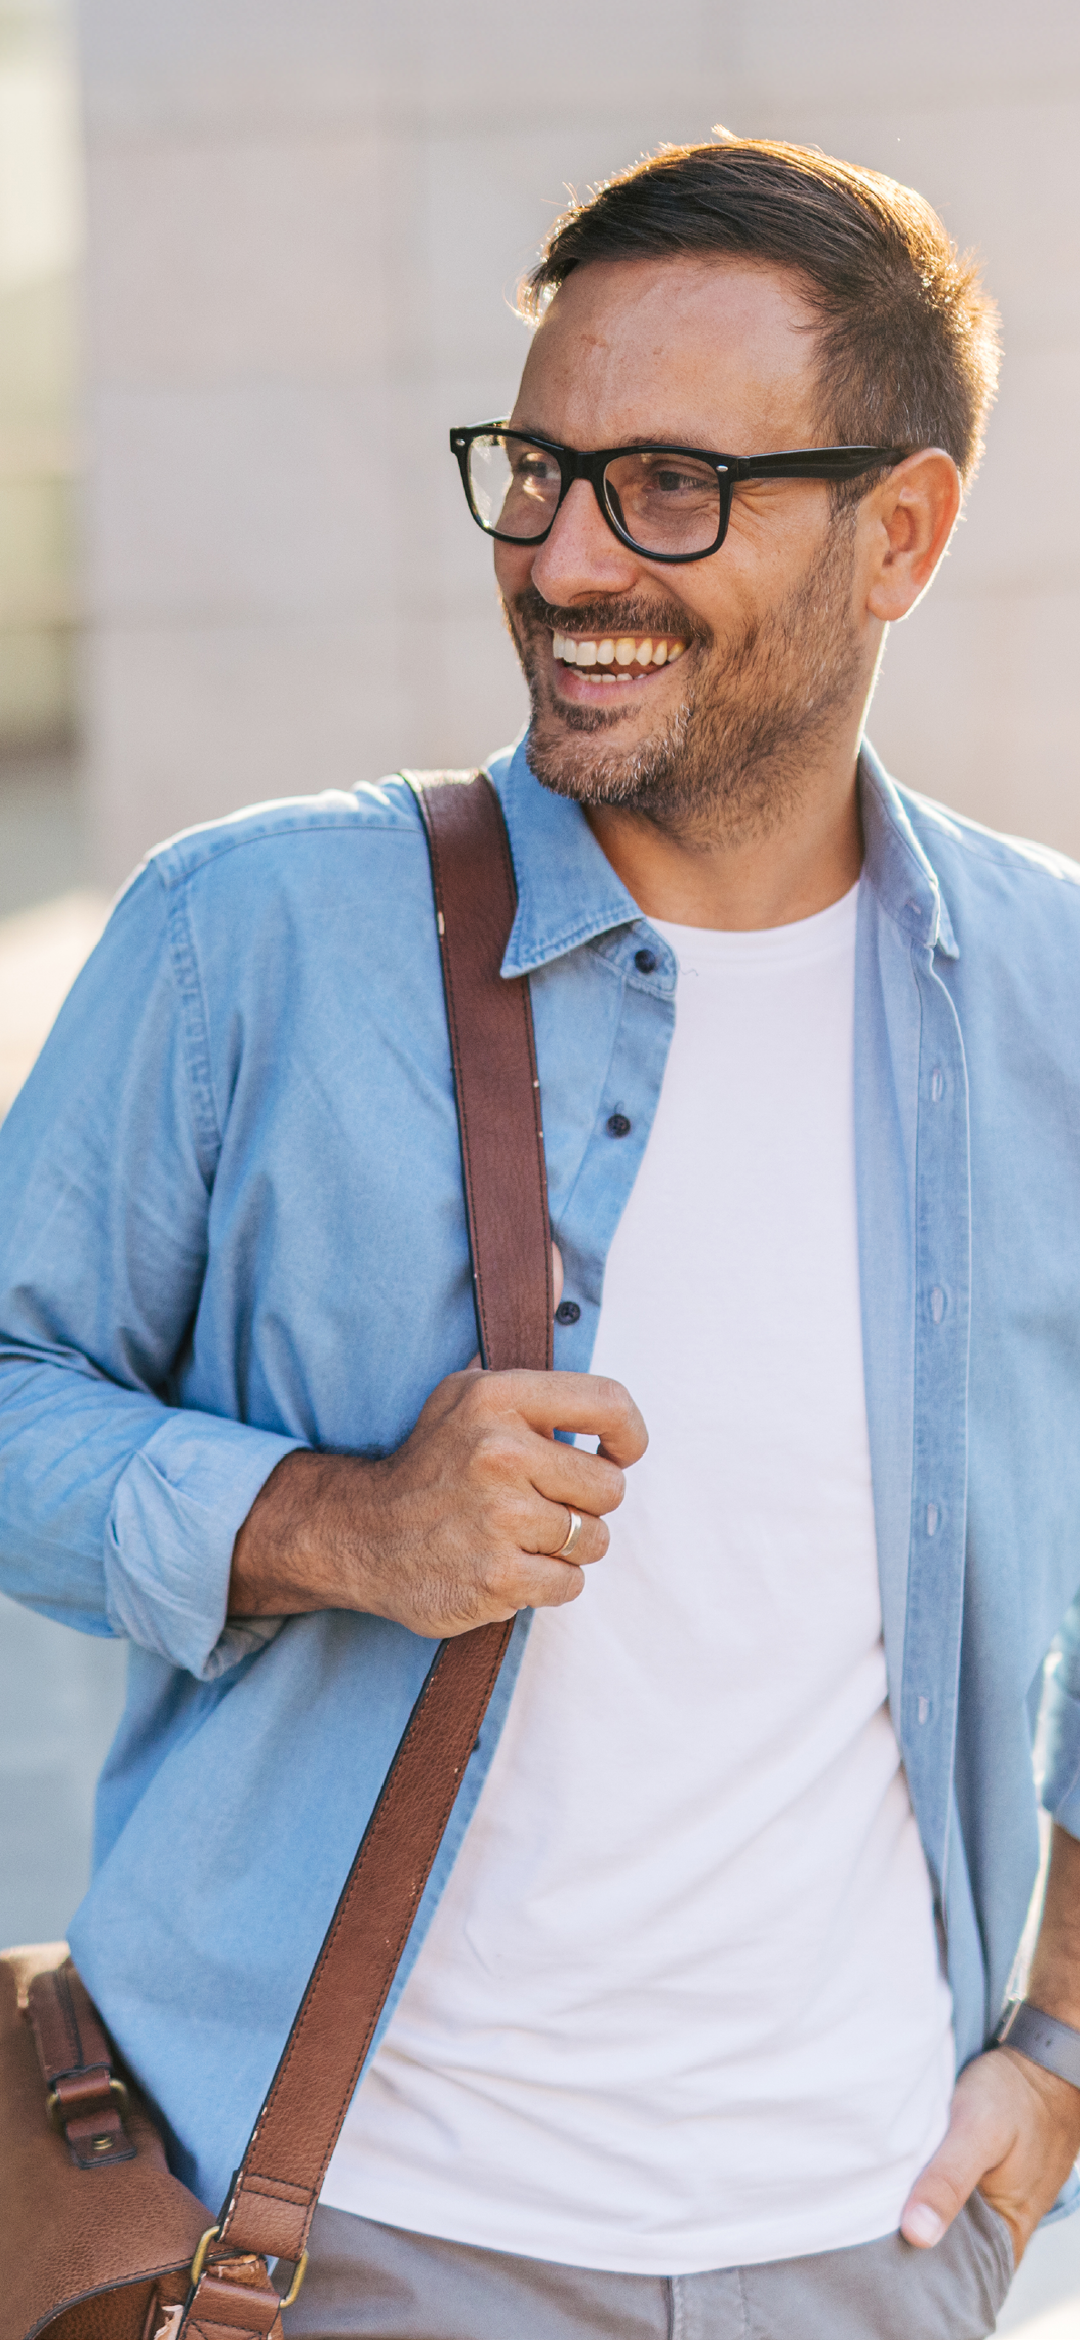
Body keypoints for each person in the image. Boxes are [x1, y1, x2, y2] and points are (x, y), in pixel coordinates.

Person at [2, 133, 1080, 2341]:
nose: (571, 554)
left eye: (673, 482)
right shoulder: (255, 934)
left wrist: (1057, 2045)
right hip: (328, 2239)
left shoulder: (1057, 999)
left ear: (905, 533)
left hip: (868, 2250)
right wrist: (333, 1522)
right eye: (539, 466)